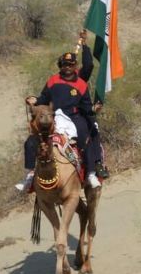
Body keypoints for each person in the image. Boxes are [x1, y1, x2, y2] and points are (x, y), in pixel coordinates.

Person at [20, 36, 108, 192]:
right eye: (65, 64)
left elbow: (87, 105)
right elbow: (44, 98)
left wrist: (93, 110)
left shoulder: (81, 84)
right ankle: (30, 175)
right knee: (32, 141)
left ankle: (91, 174)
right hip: (55, 117)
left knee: (86, 137)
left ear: (75, 66)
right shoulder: (53, 80)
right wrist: (35, 99)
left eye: (71, 64)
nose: (68, 67)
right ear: (61, 66)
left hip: (75, 117)